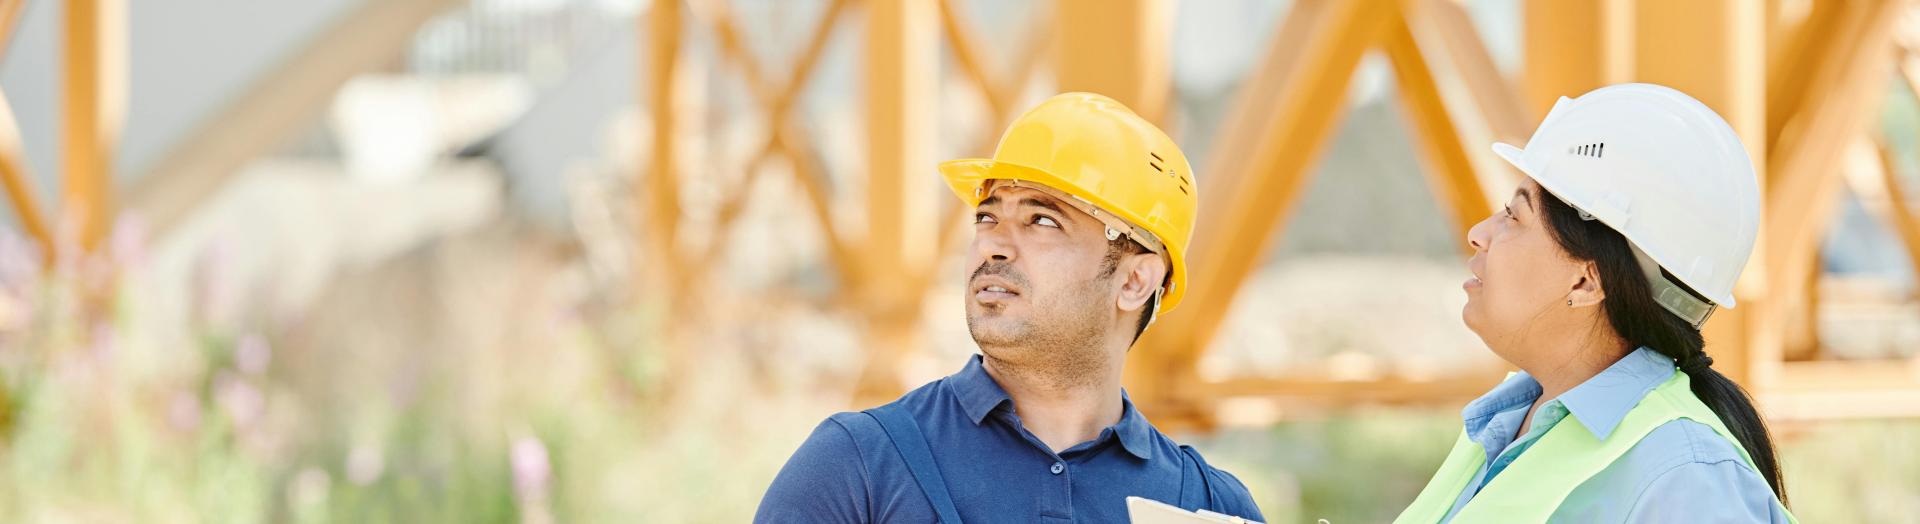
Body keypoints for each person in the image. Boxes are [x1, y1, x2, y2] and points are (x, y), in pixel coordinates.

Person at [755, 92, 1263, 523]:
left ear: (1134, 281)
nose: (993, 245)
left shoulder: (1211, 506)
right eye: (987, 216)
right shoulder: (856, 468)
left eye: (1042, 221)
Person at [1395, 83, 1796, 523]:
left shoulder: (1684, 479)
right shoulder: (1506, 425)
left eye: (1514, 216)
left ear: (1587, 281)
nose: (1479, 233)